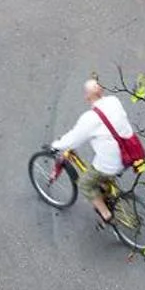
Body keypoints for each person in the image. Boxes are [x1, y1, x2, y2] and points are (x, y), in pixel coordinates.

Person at [52, 78, 138, 225]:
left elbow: (73, 139)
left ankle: (106, 215)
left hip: (112, 163)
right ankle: (106, 187)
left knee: (85, 183)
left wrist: (56, 145)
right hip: (130, 154)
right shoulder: (114, 101)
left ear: (87, 96)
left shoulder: (90, 118)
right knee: (103, 172)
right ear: (102, 91)